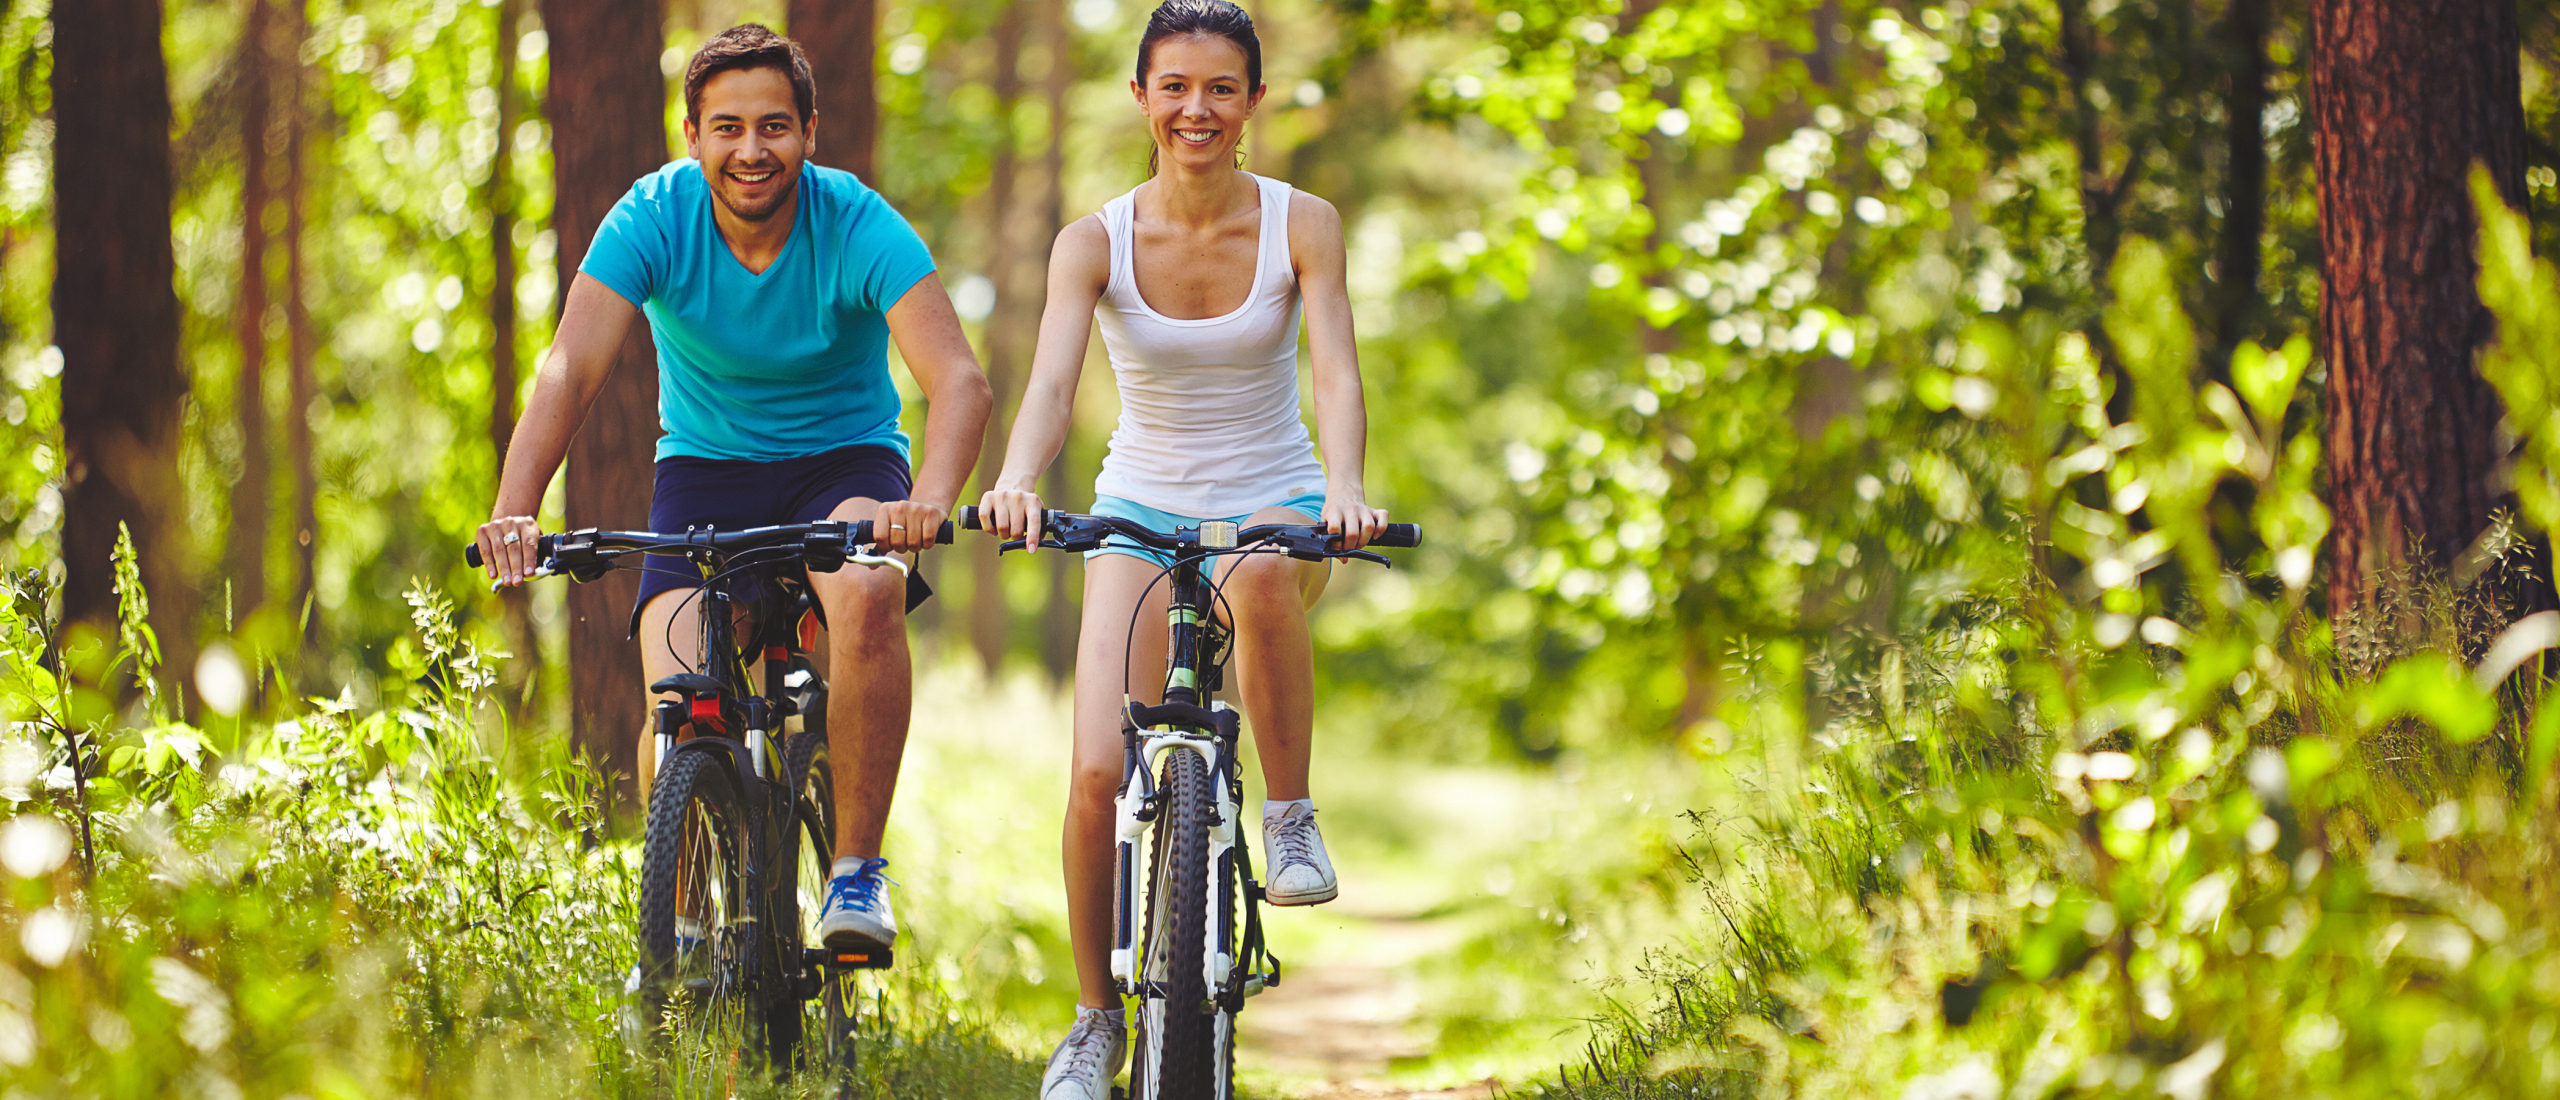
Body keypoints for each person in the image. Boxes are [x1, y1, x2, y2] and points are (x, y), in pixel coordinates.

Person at [472, 24, 992, 958]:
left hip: (845, 463)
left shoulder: (857, 222)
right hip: (705, 475)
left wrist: (931, 500)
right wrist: (517, 505)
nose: (751, 149)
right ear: (692, 134)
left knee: (869, 596)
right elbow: (568, 369)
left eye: (774, 127)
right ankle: (670, 938)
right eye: (727, 127)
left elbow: (959, 380)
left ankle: (856, 876)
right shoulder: (652, 217)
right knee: (675, 698)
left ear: (810, 132)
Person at [971, 2, 1388, 1094]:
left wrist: (1343, 490)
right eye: (1174, 87)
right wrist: (1016, 479)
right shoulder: (1092, 241)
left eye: (1219, 88)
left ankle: (1290, 818)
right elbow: (1053, 384)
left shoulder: (1305, 223)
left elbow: (1335, 370)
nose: (1195, 109)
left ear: (1252, 100)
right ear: (1141, 98)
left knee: (1256, 569)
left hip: (1279, 495)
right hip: (1140, 506)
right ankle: (1094, 1018)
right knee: (1099, 767)